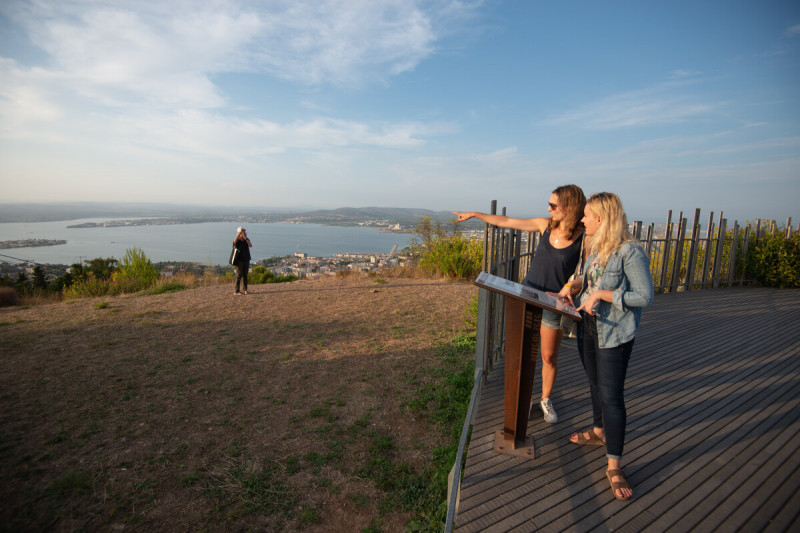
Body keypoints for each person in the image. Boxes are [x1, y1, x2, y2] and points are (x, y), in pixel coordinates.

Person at [453, 184, 586, 424]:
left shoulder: (583, 236)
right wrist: (474, 214)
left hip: (553, 301)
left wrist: (569, 286)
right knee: (521, 351)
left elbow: (587, 275)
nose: (548, 208)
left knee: (548, 356)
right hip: (526, 294)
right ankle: (518, 398)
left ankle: (545, 399)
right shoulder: (545, 225)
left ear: (569, 207)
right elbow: (505, 221)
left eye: (553, 205)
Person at [557, 192, 654, 501]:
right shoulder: (594, 247)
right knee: (595, 383)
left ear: (601, 218)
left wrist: (603, 296)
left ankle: (614, 465)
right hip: (587, 325)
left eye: (587, 215)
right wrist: (573, 289)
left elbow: (645, 296)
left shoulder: (630, 252)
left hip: (614, 332)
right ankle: (599, 431)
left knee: (612, 396)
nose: (582, 220)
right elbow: (586, 282)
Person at [232, 227, 252, 295]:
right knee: (239, 275)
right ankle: (236, 291)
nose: (245, 233)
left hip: (246, 259)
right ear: (239, 233)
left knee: (245, 275)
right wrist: (239, 233)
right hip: (239, 260)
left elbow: (250, 245)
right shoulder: (237, 241)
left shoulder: (246, 239)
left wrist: (245, 237)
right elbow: (234, 241)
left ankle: (245, 289)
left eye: (245, 232)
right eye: (243, 232)